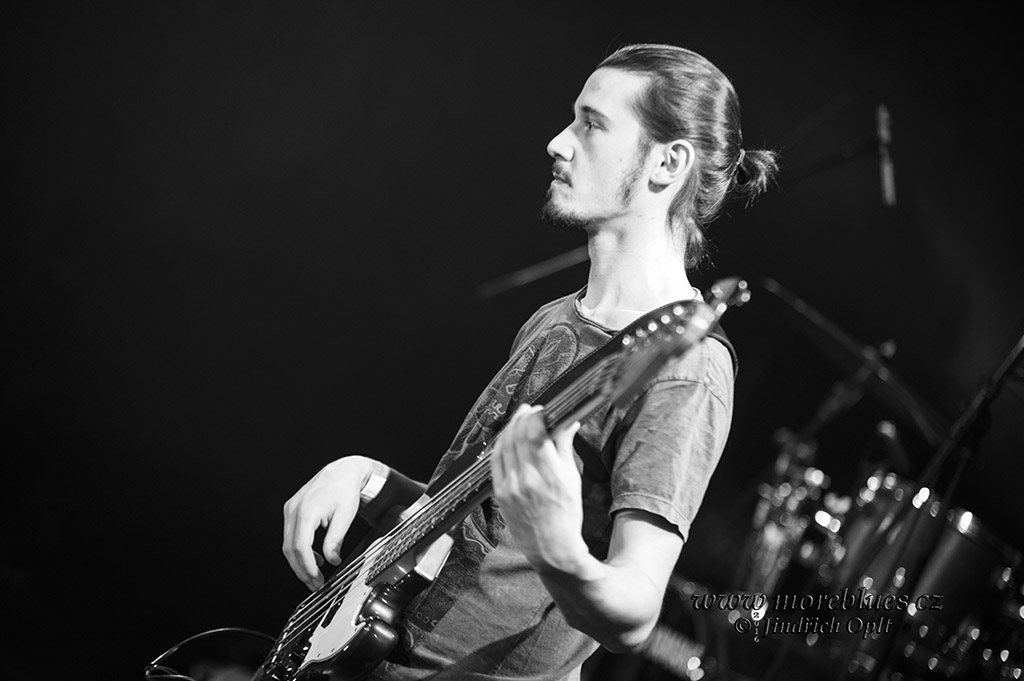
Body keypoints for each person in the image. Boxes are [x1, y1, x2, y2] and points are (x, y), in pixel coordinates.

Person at [281, 43, 777, 680]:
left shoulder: (688, 367)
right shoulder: (553, 318)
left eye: (592, 124)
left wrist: (557, 547)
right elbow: (474, 530)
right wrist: (365, 477)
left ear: (667, 163)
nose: (558, 142)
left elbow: (634, 612)